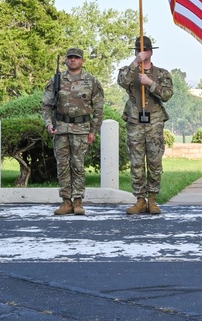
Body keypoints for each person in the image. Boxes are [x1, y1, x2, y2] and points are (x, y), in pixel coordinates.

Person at [41, 47, 104, 216]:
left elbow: (98, 108)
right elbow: (47, 106)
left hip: (82, 129)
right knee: (62, 166)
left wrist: (94, 130)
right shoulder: (57, 80)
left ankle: (78, 201)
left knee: (78, 165)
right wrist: (49, 124)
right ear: (66, 60)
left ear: (82, 61)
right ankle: (66, 202)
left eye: (76, 58)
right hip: (61, 128)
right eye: (70, 58)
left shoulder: (91, 81)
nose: (73, 60)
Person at [117, 36, 174, 215]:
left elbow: (166, 94)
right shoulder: (129, 70)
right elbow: (122, 82)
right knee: (136, 162)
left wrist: (150, 83)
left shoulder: (162, 73)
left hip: (154, 122)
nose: (142, 53)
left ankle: (153, 199)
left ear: (151, 51)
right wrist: (135, 63)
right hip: (135, 121)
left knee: (155, 162)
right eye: (138, 50)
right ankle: (140, 199)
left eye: (145, 50)